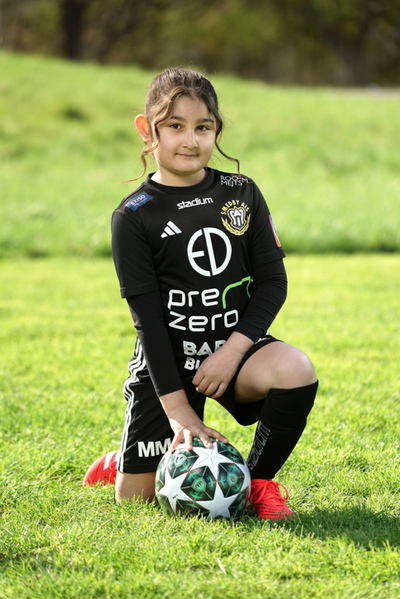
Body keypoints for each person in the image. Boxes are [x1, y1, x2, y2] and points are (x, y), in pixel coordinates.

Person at [84, 68, 318, 520]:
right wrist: (179, 412)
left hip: (235, 351)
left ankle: (254, 484)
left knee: (296, 368)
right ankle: (125, 462)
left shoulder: (240, 192)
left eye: (203, 127)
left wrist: (231, 353)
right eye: (175, 125)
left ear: (216, 130)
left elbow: (273, 282)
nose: (190, 140)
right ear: (146, 129)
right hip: (169, 363)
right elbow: (148, 322)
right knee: (135, 501)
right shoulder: (134, 216)